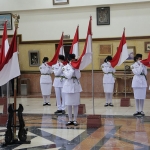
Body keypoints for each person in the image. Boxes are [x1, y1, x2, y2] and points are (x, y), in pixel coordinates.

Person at [62, 54, 82, 126]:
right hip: (68, 87)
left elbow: (78, 76)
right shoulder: (65, 67)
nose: (73, 61)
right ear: (69, 60)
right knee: (68, 104)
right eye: (72, 60)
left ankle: (75, 120)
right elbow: (68, 76)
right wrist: (72, 68)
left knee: (76, 104)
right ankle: (70, 119)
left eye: (74, 59)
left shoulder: (77, 67)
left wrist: (76, 68)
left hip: (76, 87)